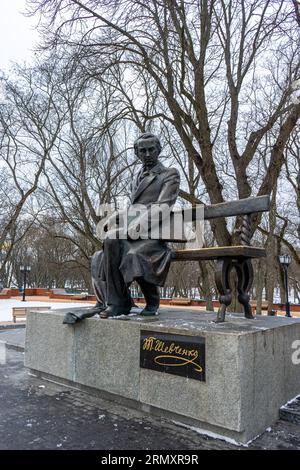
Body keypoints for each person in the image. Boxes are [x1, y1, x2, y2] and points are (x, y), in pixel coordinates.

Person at [63, 133, 180, 324]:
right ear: (137, 153)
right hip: (133, 234)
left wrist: (136, 226)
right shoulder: (138, 176)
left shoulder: (170, 174)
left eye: (151, 149)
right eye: (142, 150)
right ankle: (118, 302)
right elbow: (135, 208)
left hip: (153, 236)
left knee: (131, 253)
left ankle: (148, 299)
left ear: (159, 150)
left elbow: (163, 206)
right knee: (103, 251)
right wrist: (119, 217)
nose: (148, 153)